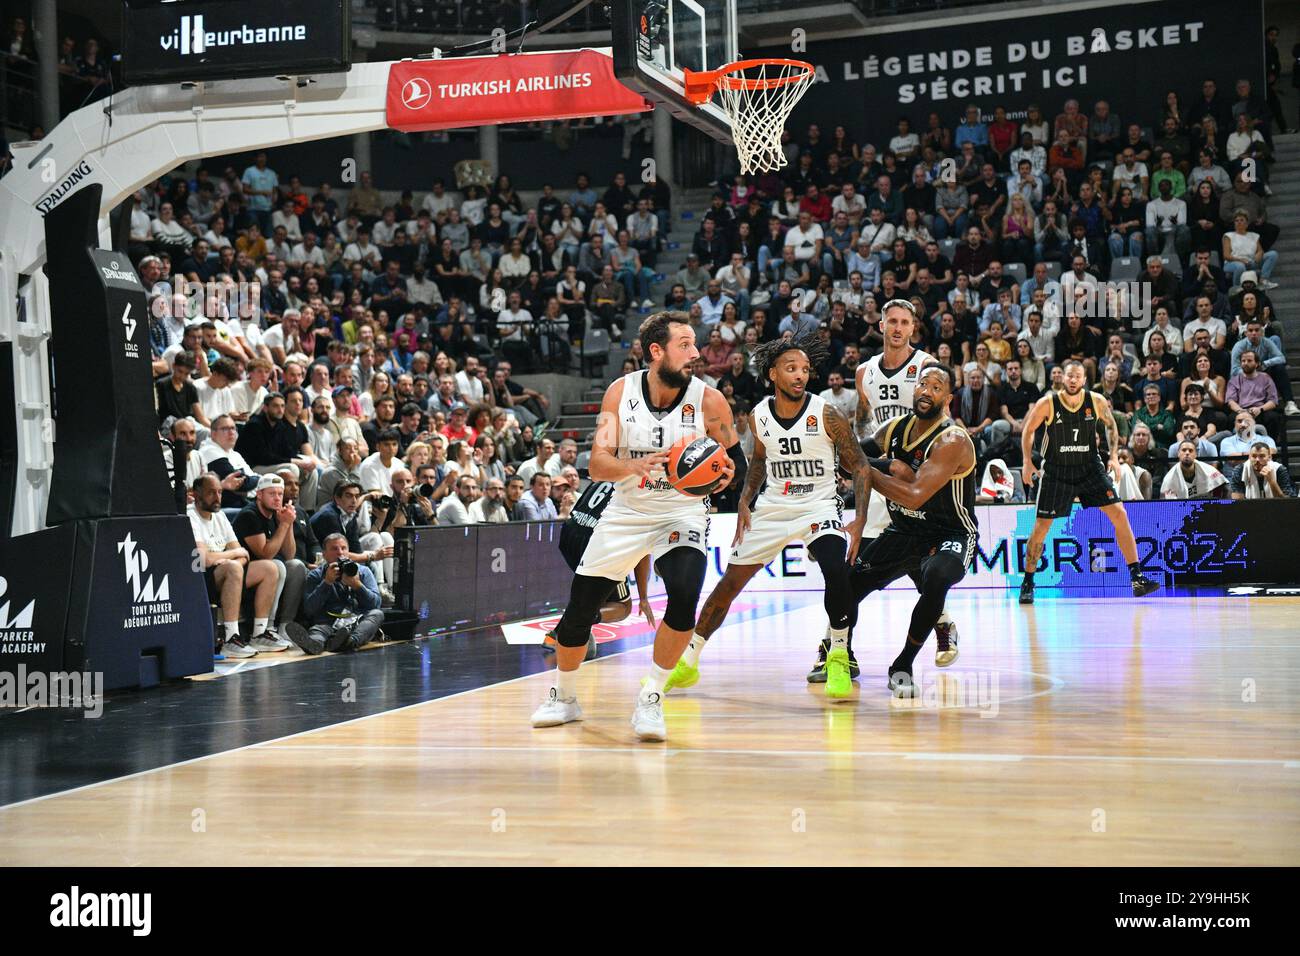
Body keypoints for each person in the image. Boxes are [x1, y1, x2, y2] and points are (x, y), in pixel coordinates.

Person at [530, 312, 741, 743]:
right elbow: (597, 464)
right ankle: (564, 697)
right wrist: (634, 465)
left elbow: (734, 461)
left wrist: (726, 474)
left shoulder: (710, 401)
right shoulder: (619, 393)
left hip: (681, 512)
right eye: (685, 344)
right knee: (579, 611)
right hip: (626, 511)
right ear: (656, 351)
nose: (696, 353)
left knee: (684, 596)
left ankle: (652, 698)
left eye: (695, 344)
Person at [667, 335, 874, 699]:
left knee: (835, 569)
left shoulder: (826, 413)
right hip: (774, 507)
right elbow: (760, 461)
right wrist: (746, 500)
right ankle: (688, 661)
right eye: (792, 369)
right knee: (729, 585)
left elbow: (860, 466)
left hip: (819, 505)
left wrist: (859, 520)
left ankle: (838, 656)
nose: (800, 376)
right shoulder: (760, 414)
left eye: (805, 370)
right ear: (773, 374)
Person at [833, 365, 978, 697]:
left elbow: (914, 495)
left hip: (949, 534)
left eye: (936, 387)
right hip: (903, 531)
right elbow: (848, 458)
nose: (927, 390)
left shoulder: (952, 439)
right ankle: (839, 654)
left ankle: (903, 664)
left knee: (938, 578)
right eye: (922, 384)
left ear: (948, 399)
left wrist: (868, 470)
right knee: (846, 586)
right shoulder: (894, 428)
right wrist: (885, 466)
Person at [1018, 360, 1160, 604]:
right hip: (1056, 469)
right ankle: (1028, 582)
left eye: (1078, 377)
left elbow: (1111, 426)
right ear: (1063, 378)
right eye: (1069, 376)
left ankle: (1137, 577)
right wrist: (1026, 462)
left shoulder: (1095, 401)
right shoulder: (1048, 403)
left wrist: (1114, 457)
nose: (1073, 380)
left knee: (1120, 514)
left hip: (1089, 467)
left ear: (1084, 380)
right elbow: (1028, 430)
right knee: (1041, 527)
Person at [540, 480, 656, 662]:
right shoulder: (645, 490)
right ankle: (573, 625)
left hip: (570, 532)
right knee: (623, 607)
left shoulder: (611, 471)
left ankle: (559, 632)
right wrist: (643, 598)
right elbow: (643, 553)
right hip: (596, 541)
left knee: (594, 593)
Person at [188, 473, 280, 659]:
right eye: (211, 493)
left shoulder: (220, 516)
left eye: (220, 492)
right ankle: (231, 638)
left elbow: (243, 555)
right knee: (234, 566)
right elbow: (203, 559)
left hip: (224, 571)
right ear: (196, 495)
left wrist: (231, 561)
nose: (217, 497)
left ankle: (259, 633)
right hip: (197, 576)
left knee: (269, 568)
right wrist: (232, 558)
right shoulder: (190, 516)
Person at [230, 473, 308, 651]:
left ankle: (284, 627)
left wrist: (287, 525)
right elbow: (265, 554)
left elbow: (289, 554)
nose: (277, 498)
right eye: (271, 494)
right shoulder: (249, 515)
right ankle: (266, 628)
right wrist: (283, 525)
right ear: (259, 495)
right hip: (245, 573)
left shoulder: (276, 514)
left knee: (296, 566)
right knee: (276, 565)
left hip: (268, 573)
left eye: (280, 494)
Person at [290, 534, 386, 655]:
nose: (340, 553)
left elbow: (375, 604)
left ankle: (349, 641)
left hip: (355, 622)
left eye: (343, 548)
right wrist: (327, 582)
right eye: (334, 549)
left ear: (348, 551)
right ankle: (314, 644)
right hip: (326, 623)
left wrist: (357, 585)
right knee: (317, 632)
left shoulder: (363, 572)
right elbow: (309, 610)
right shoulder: (316, 575)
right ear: (324, 554)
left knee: (377, 614)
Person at [1160, 441, 1229, 500]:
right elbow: (1166, 504)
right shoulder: (1169, 478)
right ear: (1178, 454)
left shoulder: (1208, 470)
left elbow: (1224, 486)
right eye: (1184, 450)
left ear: (1196, 454)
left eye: (1190, 450)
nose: (1187, 453)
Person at [1230, 442, 1295, 499]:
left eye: (1262, 456)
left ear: (1269, 457)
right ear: (1249, 457)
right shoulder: (1240, 470)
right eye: (1254, 456)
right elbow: (1237, 502)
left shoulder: (1279, 469)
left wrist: (1272, 482)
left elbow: (1287, 503)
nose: (1257, 459)